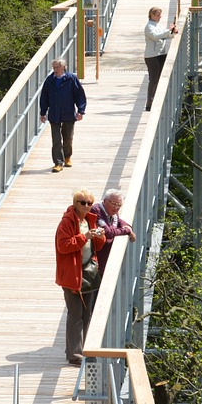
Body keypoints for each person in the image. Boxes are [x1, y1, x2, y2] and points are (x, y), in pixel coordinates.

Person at [54, 188, 106, 366]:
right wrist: (84, 237)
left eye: (89, 203)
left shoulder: (90, 219)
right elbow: (64, 246)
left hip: (88, 272)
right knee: (75, 314)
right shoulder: (67, 222)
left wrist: (99, 236)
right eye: (82, 202)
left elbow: (97, 246)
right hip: (72, 274)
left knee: (87, 314)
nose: (86, 206)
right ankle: (75, 355)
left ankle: (85, 350)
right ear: (75, 203)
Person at [39, 58, 87, 172]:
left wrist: (81, 111)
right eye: (54, 67)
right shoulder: (49, 80)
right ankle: (58, 163)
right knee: (56, 139)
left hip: (68, 113)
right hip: (54, 114)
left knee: (68, 137)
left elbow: (80, 95)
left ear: (64, 67)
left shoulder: (71, 79)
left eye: (57, 67)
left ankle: (67, 157)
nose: (55, 70)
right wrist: (42, 112)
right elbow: (44, 97)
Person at [143, 7, 178, 112]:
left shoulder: (159, 25)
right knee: (153, 80)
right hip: (152, 56)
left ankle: (158, 101)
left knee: (160, 79)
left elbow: (167, 35)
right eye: (157, 15)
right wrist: (168, 30)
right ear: (151, 15)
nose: (159, 17)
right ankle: (149, 103)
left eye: (160, 15)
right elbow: (155, 36)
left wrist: (173, 32)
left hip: (161, 54)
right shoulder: (149, 26)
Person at [95, 189, 136, 275]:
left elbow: (118, 220)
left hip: (106, 255)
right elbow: (108, 233)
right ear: (105, 201)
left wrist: (126, 225)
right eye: (113, 204)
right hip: (96, 256)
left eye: (119, 205)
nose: (116, 207)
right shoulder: (96, 211)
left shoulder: (111, 211)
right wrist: (127, 230)